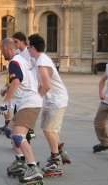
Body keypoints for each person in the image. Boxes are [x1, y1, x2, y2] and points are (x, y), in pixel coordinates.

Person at [0, 38, 44, 185]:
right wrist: (7, 90)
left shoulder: (14, 62)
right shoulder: (22, 60)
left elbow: (17, 81)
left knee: (18, 135)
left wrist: (6, 102)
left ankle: (33, 169)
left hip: (29, 103)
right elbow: (19, 81)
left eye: (1, 49)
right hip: (27, 101)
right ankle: (20, 161)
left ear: (7, 49)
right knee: (10, 131)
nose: (1, 52)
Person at [27, 34, 70, 177]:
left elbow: (46, 85)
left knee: (49, 129)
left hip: (56, 100)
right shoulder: (41, 60)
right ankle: (59, 151)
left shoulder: (42, 62)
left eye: (28, 46)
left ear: (33, 47)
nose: (27, 49)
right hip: (52, 100)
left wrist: (35, 99)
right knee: (49, 129)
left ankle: (55, 161)